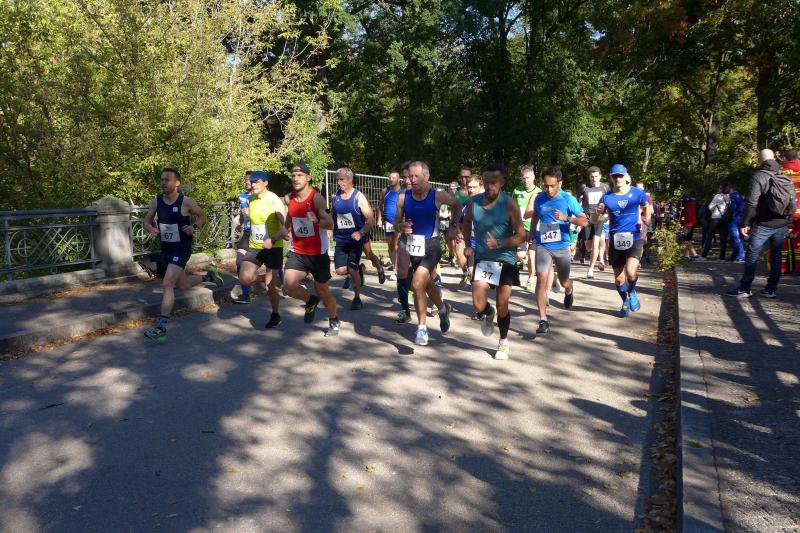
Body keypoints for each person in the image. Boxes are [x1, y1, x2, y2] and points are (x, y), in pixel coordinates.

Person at [143, 168, 224, 341]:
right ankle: (209, 276)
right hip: (166, 248)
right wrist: (150, 228)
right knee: (183, 286)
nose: (163, 182)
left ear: (177, 183)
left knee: (167, 284)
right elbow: (146, 221)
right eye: (162, 179)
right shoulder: (156, 202)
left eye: (167, 180)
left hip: (181, 248)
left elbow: (202, 216)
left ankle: (161, 327)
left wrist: (193, 227)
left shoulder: (186, 202)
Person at [461, 164, 526, 359]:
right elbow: (466, 222)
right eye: (487, 182)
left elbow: (521, 235)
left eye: (494, 183)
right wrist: (467, 243)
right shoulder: (473, 202)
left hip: (505, 259)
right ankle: (489, 313)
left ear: (502, 183)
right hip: (484, 259)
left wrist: (501, 243)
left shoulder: (509, 204)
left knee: (502, 304)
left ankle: (503, 342)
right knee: (478, 304)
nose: (489, 186)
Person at [394, 161, 461, 345]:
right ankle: (443, 309)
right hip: (413, 245)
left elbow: (457, 206)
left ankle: (422, 328)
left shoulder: (437, 195)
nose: (412, 180)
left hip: (432, 245)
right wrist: (401, 226)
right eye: (410, 176)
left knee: (417, 284)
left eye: (416, 176)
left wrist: (453, 226)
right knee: (428, 284)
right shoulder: (403, 197)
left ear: (427, 176)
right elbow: (396, 223)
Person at [524, 166, 588, 334]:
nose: (549, 189)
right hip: (543, 245)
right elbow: (536, 215)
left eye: (552, 186)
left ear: (560, 183)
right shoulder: (539, 198)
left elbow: (584, 221)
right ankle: (543, 320)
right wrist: (532, 233)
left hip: (562, 246)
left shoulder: (568, 199)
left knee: (564, 280)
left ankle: (569, 288)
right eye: (545, 185)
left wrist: (567, 218)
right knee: (541, 278)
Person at [726, 149, 797, 298]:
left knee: (752, 253)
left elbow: (751, 202)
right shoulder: (784, 176)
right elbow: (792, 201)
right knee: (776, 254)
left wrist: (745, 222)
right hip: (782, 223)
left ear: (760, 160)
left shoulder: (759, 176)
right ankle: (771, 290)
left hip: (764, 223)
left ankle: (745, 288)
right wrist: (789, 221)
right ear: (774, 159)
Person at [282, 163, 340, 335]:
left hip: (317, 254)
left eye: (300, 175)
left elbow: (330, 223)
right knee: (288, 287)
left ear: (308, 178)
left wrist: (316, 220)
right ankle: (310, 300)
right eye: (293, 175)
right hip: (298, 252)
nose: (296, 179)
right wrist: (282, 233)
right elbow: (289, 220)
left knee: (323, 290)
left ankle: (334, 319)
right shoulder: (289, 198)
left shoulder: (317, 199)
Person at [594, 164, 652, 317]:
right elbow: (594, 220)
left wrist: (647, 219)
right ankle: (625, 301)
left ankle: (631, 291)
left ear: (626, 176)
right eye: (614, 176)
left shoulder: (638, 193)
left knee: (631, 273)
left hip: (635, 236)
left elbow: (646, 207)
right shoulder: (607, 197)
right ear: (611, 178)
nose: (617, 178)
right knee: (619, 280)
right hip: (616, 238)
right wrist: (597, 213)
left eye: (620, 175)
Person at [236, 171, 286, 328]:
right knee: (244, 278)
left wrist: (274, 239)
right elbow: (249, 219)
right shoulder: (250, 199)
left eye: (256, 181)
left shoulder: (274, 200)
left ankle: (275, 314)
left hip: (273, 247)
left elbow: (286, 226)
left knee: (270, 288)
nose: (252, 185)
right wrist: (241, 223)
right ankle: (266, 278)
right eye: (251, 182)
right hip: (254, 246)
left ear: (265, 182)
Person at [331, 167, 376, 310]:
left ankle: (357, 298)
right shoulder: (335, 196)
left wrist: (361, 233)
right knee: (340, 270)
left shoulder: (358, 197)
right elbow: (333, 214)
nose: (339, 182)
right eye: (337, 179)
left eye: (342, 179)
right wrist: (329, 228)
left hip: (355, 240)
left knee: (351, 268)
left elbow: (370, 219)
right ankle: (359, 270)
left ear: (350, 179)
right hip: (341, 239)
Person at [512, 165, 541, 291]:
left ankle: (531, 279)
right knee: (520, 254)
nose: (526, 180)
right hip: (520, 227)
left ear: (533, 177)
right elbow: (512, 207)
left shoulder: (539, 192)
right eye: (523, 178)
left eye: (528, 178)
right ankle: (526, 265)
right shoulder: (516, 191)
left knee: (531, 255)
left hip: (535, 227)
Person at [580, 166, 610, 278]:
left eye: (596, 176)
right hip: (588, 219)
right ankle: (594, 253)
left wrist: (607, 215)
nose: (594, 179)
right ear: (589, 177)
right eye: (592, 176)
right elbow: (579, 202)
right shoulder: (584, 187)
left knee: (596, 242)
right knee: (588, 246)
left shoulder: (605, 188)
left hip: (600, 219)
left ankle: (591, 269)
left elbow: (610, 201)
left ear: (600, 176)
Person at [456, 176, 484, 288]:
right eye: (469, 187)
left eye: (474, 187)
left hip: (487, 247)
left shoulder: (489, 203)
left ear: (481, 186)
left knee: (485, 282)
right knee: (473, 276)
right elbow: (459, 223)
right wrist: (460, 233)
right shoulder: (465, 205)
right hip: (472, 244)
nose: (471, 190)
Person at [233, 171, 254, 303]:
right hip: (247, 233)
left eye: (249, 180)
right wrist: (240, 224)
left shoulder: (262, 197)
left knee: (272, 266)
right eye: (245, 179)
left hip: (262, 235)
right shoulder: (243, 196)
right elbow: (243, 214)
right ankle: (246, 295)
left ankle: (283, 283)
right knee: (239, 261)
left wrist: (250, 212)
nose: (247, 182)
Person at [377, 170, 402, 278]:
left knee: (396, 246)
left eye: (393, 178)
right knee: (391, 246)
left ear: (398, 179)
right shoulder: (385, 191)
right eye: (390, 178)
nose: (391, 179)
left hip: (398, 222)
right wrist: (379, 219)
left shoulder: (402, 192)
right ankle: (395, 264)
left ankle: (396, 270)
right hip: (388, 222)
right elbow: (380, 205)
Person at [781, 150, 800, 273]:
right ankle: (798, 267)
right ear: (797, 157)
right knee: (799, 241)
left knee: (782, 239)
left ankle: (782, 268)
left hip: (784, 212)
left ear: (785, 158)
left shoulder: (780, 171)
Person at [701, 185, 730, 260]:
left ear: (721, 189)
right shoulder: (729, 197)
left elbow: (710, 207)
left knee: (709, 237)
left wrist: (713, 210)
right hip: (724, 219)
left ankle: (704, 255)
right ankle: (721, 258)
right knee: (723, 239)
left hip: (715, 218)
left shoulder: (717, 196)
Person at [680, 192, 702, 260]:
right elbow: (698, 210)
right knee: (688, 239)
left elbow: (680, 211)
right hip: (693, 221)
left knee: (685, 239)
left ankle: (695, 254)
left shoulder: (682, 200)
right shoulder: (694, 200)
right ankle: (687, 255)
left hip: (686, 222)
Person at [727, 183, 745, 262]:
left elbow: (735, 208)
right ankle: (735, 255)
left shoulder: (733, 196)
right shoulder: (738, 195)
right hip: (739, 218)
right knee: (737, 238)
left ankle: (740, 255)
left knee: (735, 237)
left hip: (735, 219)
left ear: (729, 188)